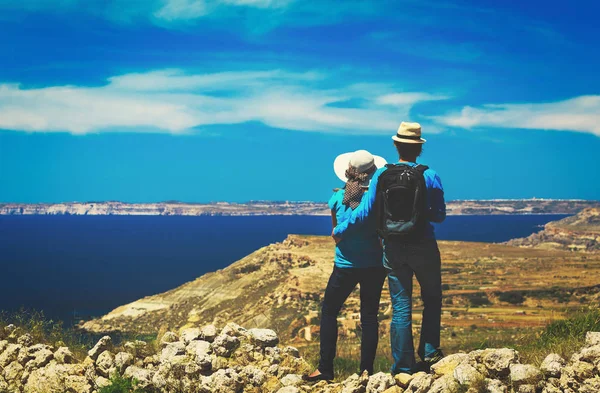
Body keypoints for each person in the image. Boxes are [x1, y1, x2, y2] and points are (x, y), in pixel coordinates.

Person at [332, 122, 446, 375]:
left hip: (393, 248)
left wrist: (340, 230)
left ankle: (403, 367)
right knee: (432, 299)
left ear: (396, 146)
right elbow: (439, 216)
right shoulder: (430, 175)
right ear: (419, 149)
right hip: (423, 245)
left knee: (401, 305)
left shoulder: (382, 175)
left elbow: (365, 212)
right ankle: (429, 354)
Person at [305, 150, 388, 382]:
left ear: (348, 172)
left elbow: (336, 235)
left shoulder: (337, 198)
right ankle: (366, 372)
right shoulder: (377, 201)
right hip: (374, 265)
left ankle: (325, 368)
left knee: (329, 311)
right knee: (369, 317)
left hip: (344, 265)